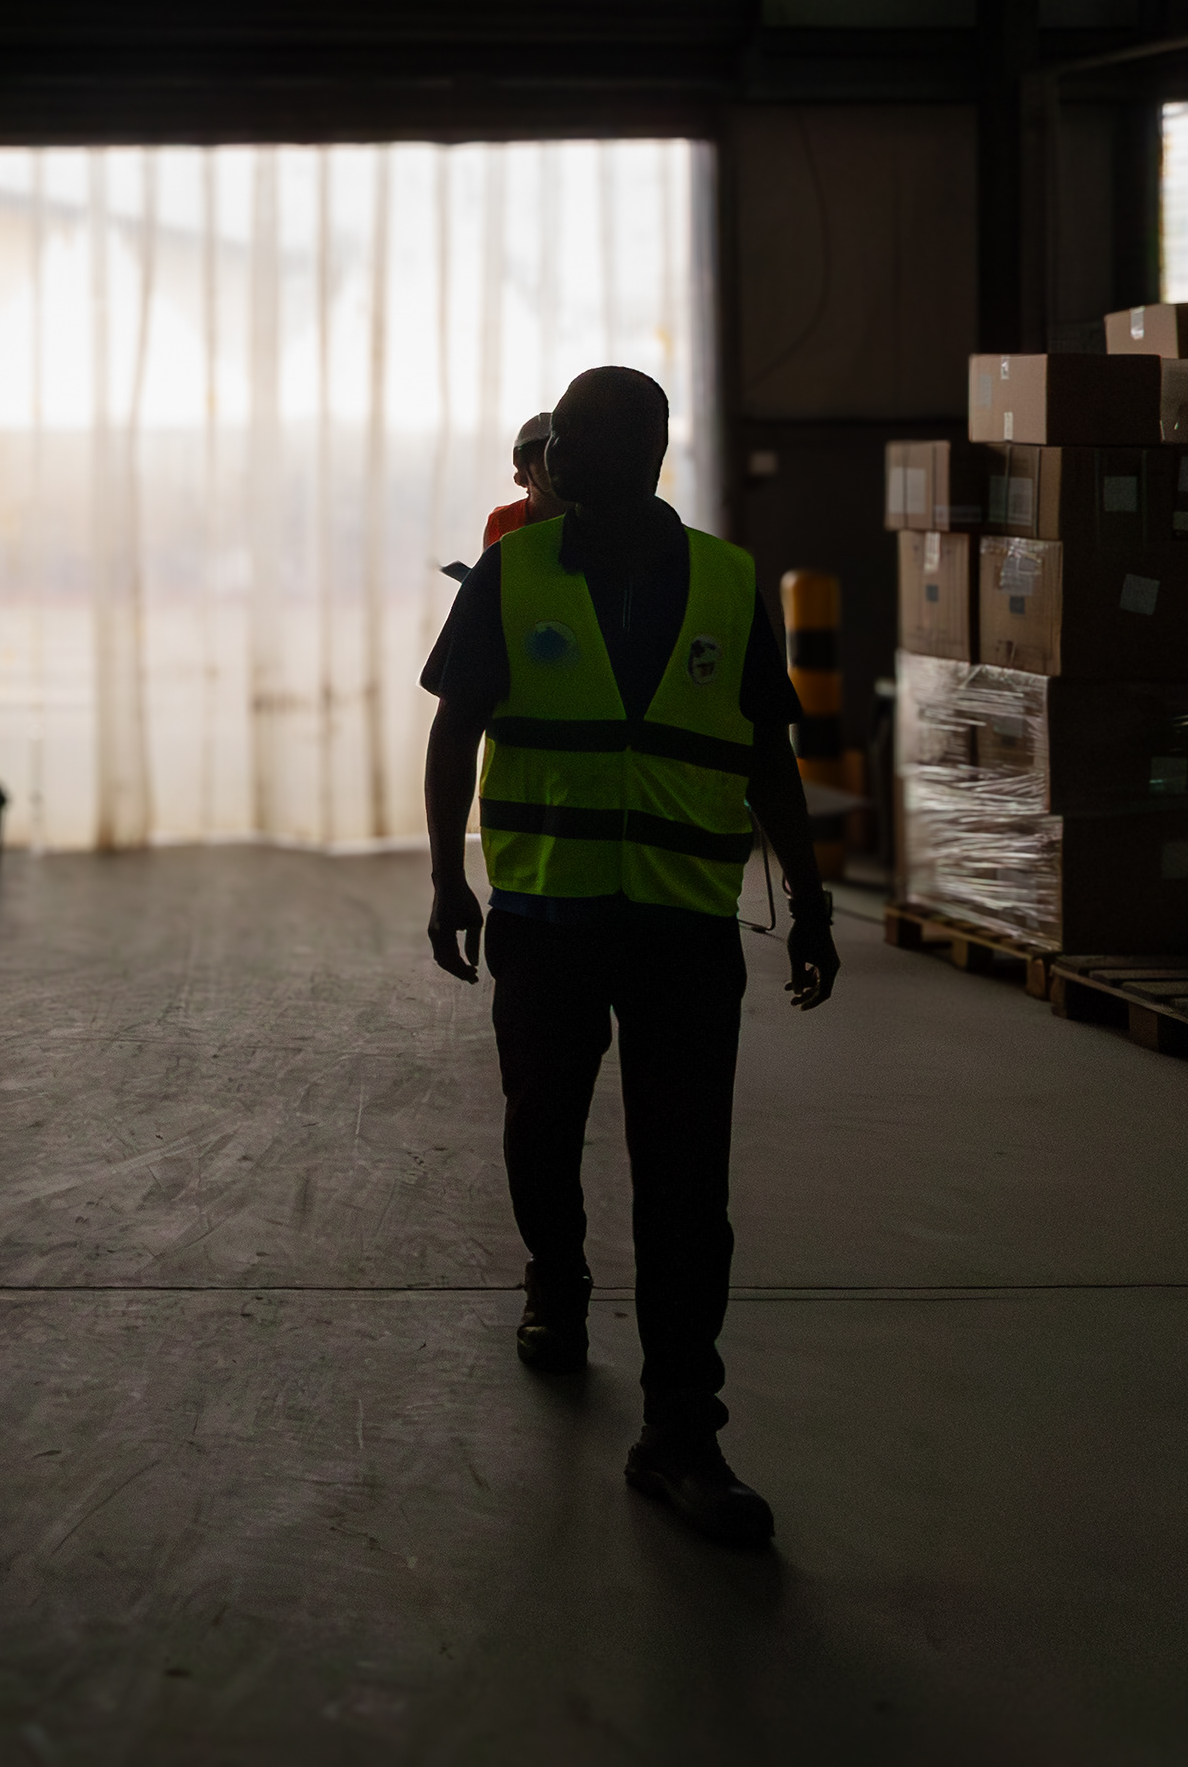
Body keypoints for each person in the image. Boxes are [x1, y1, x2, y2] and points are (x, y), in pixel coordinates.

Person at [419, 364, 837, 1549]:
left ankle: (682, 1433)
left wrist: (809, 897)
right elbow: (459, 723)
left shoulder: (725, 580)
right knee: (540, 1127)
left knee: (686, 1186)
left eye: (583, 436)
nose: (556, 452)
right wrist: (449, 876)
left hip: (683, 932)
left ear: (646, 450)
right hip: (547, 923)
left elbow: (768, 752)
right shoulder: (515, 568)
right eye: (553, 435)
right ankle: (557, 1273)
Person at [480, 410, 557, 551]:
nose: (557, 465)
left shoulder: (597, 516)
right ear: (522, 465)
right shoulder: (503, 522)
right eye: (543, 458)